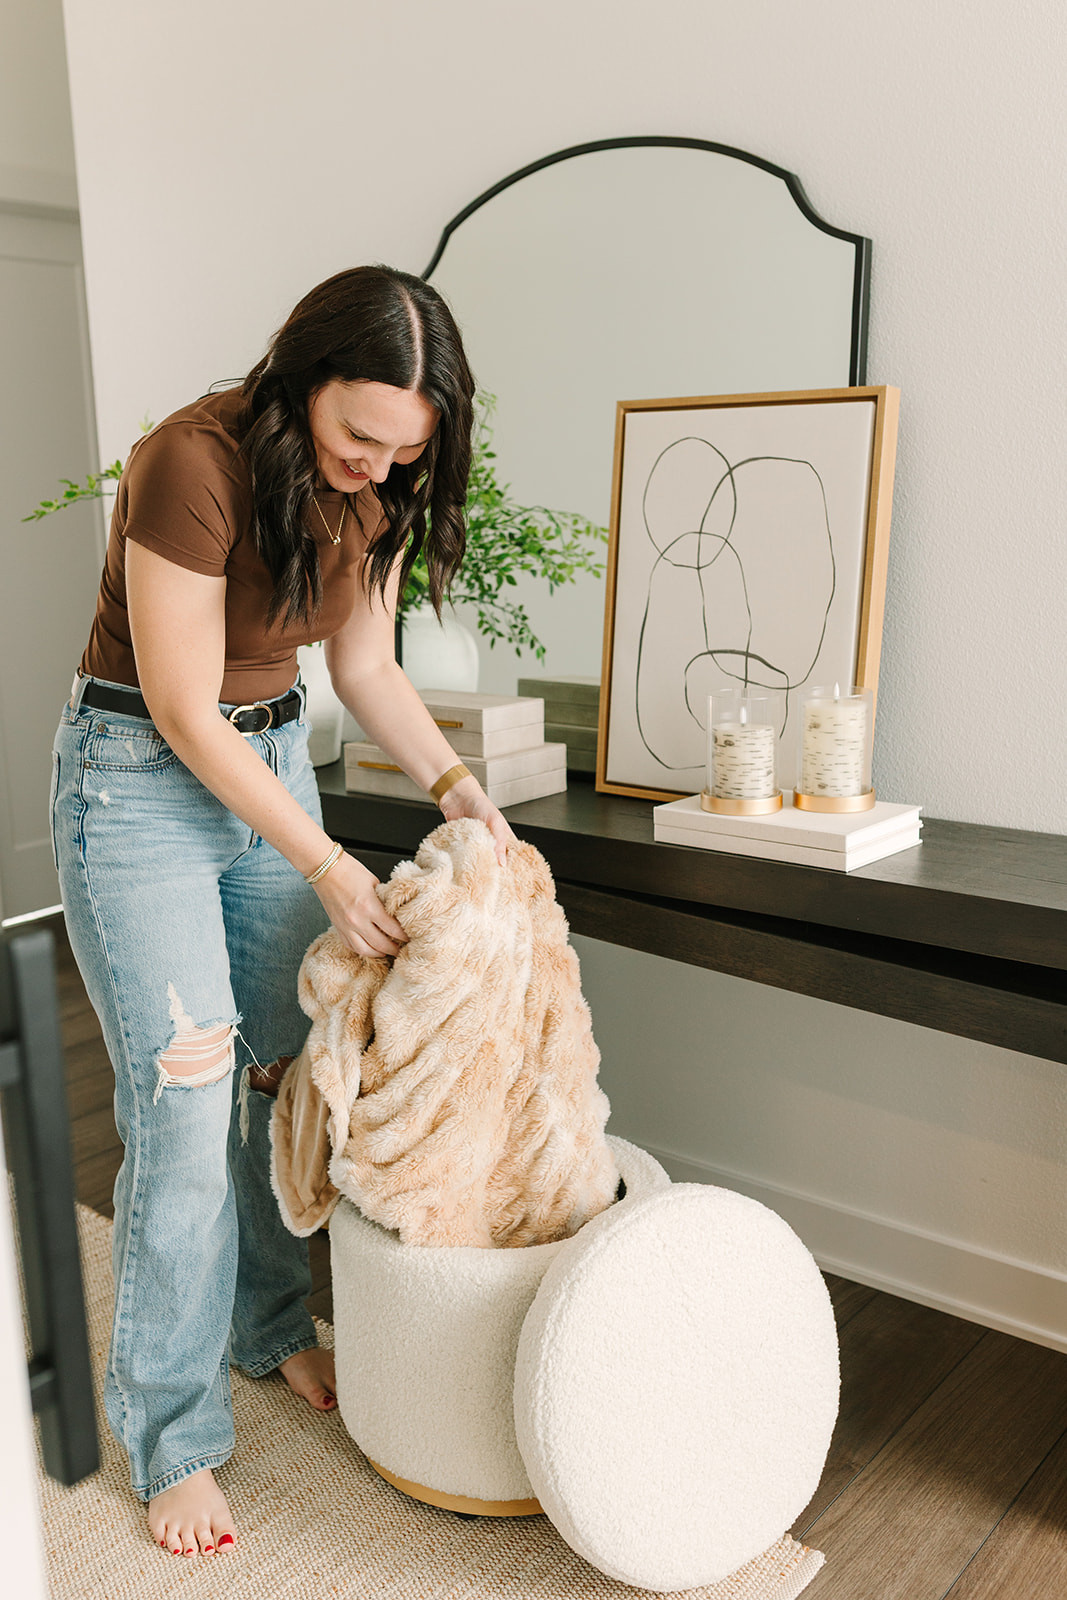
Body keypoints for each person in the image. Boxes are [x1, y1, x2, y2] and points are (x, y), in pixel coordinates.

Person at [50, 264, 515, 1559]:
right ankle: (176, 1435)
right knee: (187, 1108)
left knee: (278, 1078)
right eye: (357, 435)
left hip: (270, 768)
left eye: (403, 447)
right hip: (140, 781)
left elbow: (361, 666)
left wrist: (459, 788)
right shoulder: (185, 464)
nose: (374, 467)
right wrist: (324, 862)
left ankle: (265, 1330)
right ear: (299, 378)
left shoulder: (374, 490)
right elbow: (187, 705)